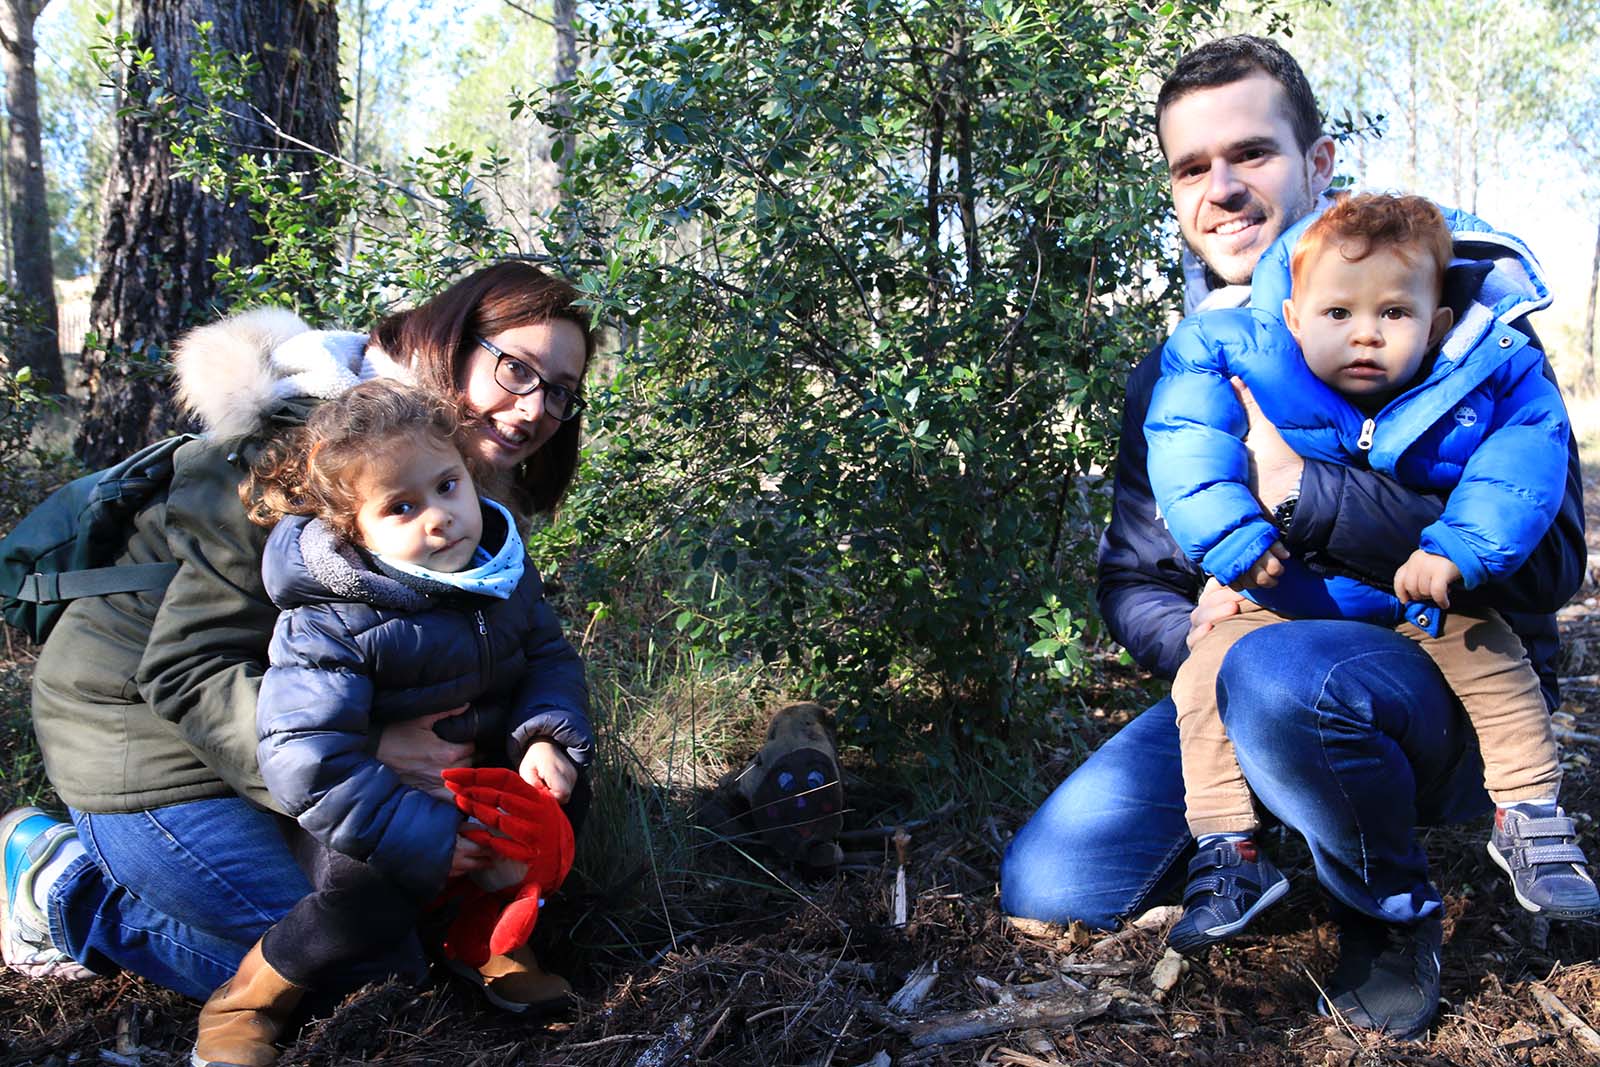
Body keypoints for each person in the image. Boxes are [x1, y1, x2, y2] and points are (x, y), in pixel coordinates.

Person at [999, 37, 1586, 1040]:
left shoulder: (1449, 316)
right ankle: (1261, 820)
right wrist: (1205, 638)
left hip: (1437, 672)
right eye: (1192, 168)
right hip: (1246, 674)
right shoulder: (1177, 371)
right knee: (1056, 876)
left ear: (1317, 165)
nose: (1221, 189)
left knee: (1287, 678)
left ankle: (1389, 920)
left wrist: (1300, 490)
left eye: (1251, 154)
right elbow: (1133, 576)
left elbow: (1547, 564)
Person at [0, 262, 596, 1004]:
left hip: (299, 737)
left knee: (431, 936)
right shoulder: (298, 447)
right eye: (517, 369)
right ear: (451, 340)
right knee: (361, 979)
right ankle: (59, 884)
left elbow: (497, 647)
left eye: (561, 392)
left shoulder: (452, 478)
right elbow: (189, 669)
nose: (534, 408)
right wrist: (369, 746)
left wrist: (538, 737)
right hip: (144, 739)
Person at [1146, 193, 1596, 954]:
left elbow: (1520, 463)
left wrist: (1458, 547)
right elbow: (1188, 444)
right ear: (1292, 317)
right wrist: (1232, 540)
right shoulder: (1231, 352)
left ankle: (1531, 813)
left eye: (1394, 313)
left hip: (1416, 593)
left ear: (1437, 326)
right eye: (1337, 315)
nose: (1365, 333)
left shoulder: (1488, 368)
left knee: (1495, 659)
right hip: (1280, 591)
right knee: (1200, 682)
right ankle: (1229, 847)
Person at [186, 379, 589, 1066]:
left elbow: (547, 656)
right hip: (375, 811)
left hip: (471, 780)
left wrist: (547, 734)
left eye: (446, 486)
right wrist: (420, 833)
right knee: (366, 896)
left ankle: (491, 946)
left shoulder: (499, 572)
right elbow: (305, 757)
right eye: (400, 506)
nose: (438, 518)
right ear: (353, 528)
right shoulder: (334, 616)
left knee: (551, 810)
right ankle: (248, 1000)